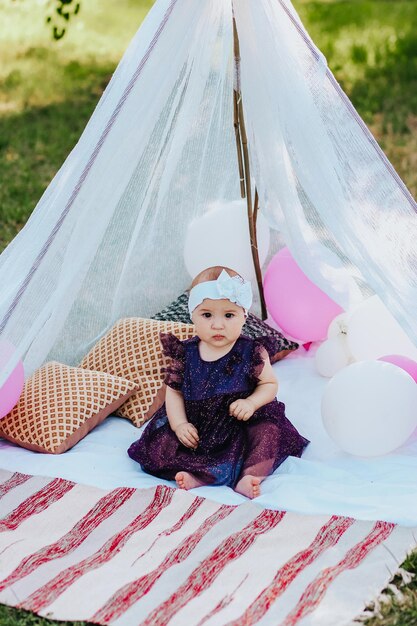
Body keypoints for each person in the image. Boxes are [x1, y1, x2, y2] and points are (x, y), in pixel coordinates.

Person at [128, 266, 309, 499]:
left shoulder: (252, 352)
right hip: (198, 425)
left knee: (268, 434)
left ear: (244, 316)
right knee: (164, 446)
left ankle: (249, 476)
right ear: (192, 315)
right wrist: (180, 425)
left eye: (229, 315)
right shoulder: (184, 353)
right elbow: (174, 393)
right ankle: (199, 476)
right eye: (207, 315)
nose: (217, 324)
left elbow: (269, 385)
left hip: (240, 423)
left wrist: (252, 403)